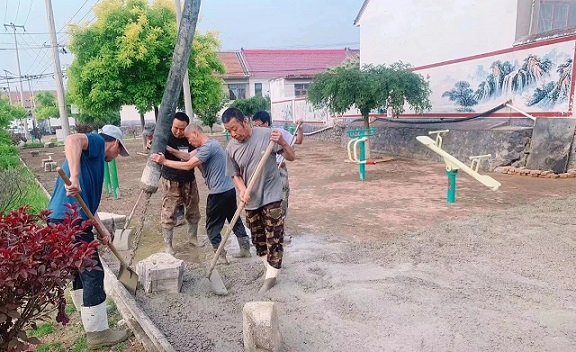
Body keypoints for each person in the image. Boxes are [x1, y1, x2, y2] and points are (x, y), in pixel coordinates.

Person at [47, 125, 130, 349]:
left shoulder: (94, 163)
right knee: (93, 272)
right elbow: (72, 139)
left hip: (63, 218)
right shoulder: (95, 143)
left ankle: (89, 309)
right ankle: (97, 333)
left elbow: (87, 206)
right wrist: (73, 178)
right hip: (69, 219)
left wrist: (101, 228)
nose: (115, 157)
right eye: (118, 152)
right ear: (114, 143)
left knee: (79, 269)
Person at [150, 123, 251, 264]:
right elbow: (186, 156)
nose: (189, 142)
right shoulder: (209, 145)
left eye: (190, 139)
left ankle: (220, 256)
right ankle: (245, 249)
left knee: (212, 228)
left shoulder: (208, 148)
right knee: (234, 220)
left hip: (218, 194)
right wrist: (168, 149)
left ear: (196, 134)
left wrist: (164, 161)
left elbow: (188, 165)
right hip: (228, 190)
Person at [222, 107, 295, 293]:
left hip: (272, 194)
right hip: (251, 198)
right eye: (228, 130)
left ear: (245, 122)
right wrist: (242, 189)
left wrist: (283, 143)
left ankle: (271, 276)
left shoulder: (268, 135)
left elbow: (291, 156)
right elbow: (235, 174)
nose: (233, 133)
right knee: (258, 239)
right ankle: (270, 265)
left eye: (234, 128)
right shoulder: (231, 147)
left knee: (274, 235)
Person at [158, 112, 202, 254]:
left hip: (189, 180)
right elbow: (153, 149)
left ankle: (193, 238)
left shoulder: (191, 138)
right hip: (171, 180)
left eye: (182, 129)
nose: (178, 132)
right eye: (176, 128)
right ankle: (168, 245)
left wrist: (171, 150)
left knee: (193, 210)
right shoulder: (164, 137)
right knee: (169, 212)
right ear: (171, 124)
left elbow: (189, 156)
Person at [252, 111, 303, 221]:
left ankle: (281, 225)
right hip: (263, 171)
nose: (256, 128)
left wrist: (300, 128)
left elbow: (298, 141)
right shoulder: (254, 136)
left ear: (266, 123)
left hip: (279, 169)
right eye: (254, 126)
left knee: (282, 197)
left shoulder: (278, 133)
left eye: (258, 125)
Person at [143, 121, 185, 225]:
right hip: (167, 172)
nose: (149, 137)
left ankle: (180, 216)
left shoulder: (167, 138)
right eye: (147, 135)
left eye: (151, 134)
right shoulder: (152, 142)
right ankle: (172, 216)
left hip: (178, 168)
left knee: (179, 194)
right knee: (169, 196)